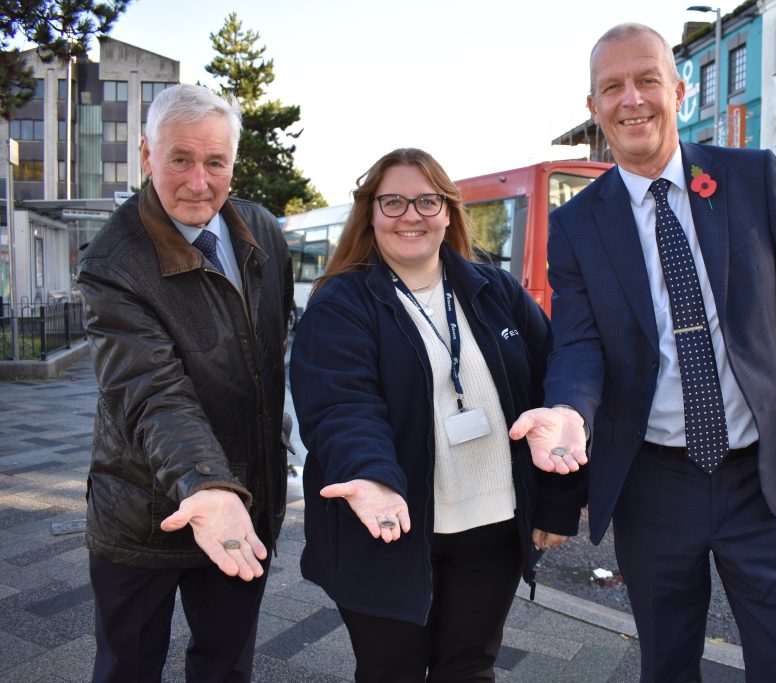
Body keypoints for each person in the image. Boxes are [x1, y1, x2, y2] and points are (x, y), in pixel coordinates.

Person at [509, 23, 776, 682]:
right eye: (612, 87)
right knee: (666, 663)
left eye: (647, 81)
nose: (631, 99)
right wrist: (570, 413)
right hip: (653, 483)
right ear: (594, 108)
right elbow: (580, 342)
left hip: (760, 475)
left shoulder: (751, 178)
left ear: (679, 91)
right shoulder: (579, 224)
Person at [289, 148, 583, 683]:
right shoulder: (341, 303)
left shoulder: (495, 291)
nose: (411, 216)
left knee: (469, 670)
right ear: (371, 213)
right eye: (393, 201)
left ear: (448, 211)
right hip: (387, 528)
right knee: (390, 673)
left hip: (492, 530)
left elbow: (554, 395)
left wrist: (558, 502)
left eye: (427, 200)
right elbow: (340, 406)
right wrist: (371, 476)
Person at [76, 84, 294, 682]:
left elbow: (276, 350)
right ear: (146, 155)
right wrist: (207, 487)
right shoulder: (112, 262)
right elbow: (152, 392)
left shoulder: (263, 231)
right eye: (180, 160)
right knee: (128, 668)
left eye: (215, 163)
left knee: (226, 667)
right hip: (145, 512)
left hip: (243, 506)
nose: (199, 182)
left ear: (232, 163)